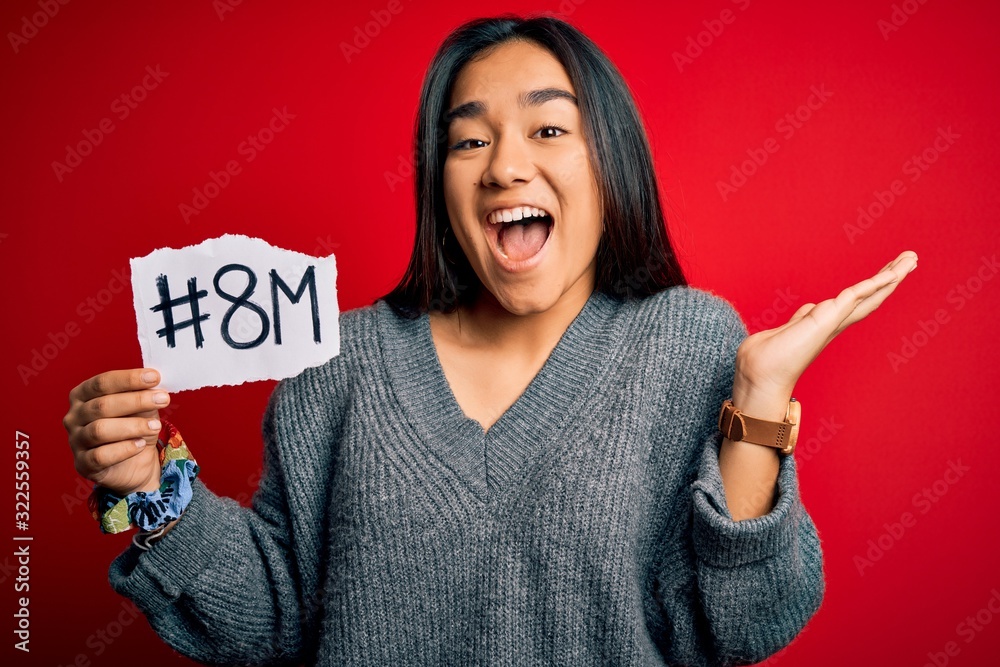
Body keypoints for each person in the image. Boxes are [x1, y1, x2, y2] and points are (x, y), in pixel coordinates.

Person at [62, 14, 916, 667]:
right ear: (440, 181)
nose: (504, 165)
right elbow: (272, 618)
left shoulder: (687, 343)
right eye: (469, 140)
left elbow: (740, 625)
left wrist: (760, 402)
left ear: (609, 161)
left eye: (548, 129)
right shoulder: (339, 364)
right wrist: (150, 487)